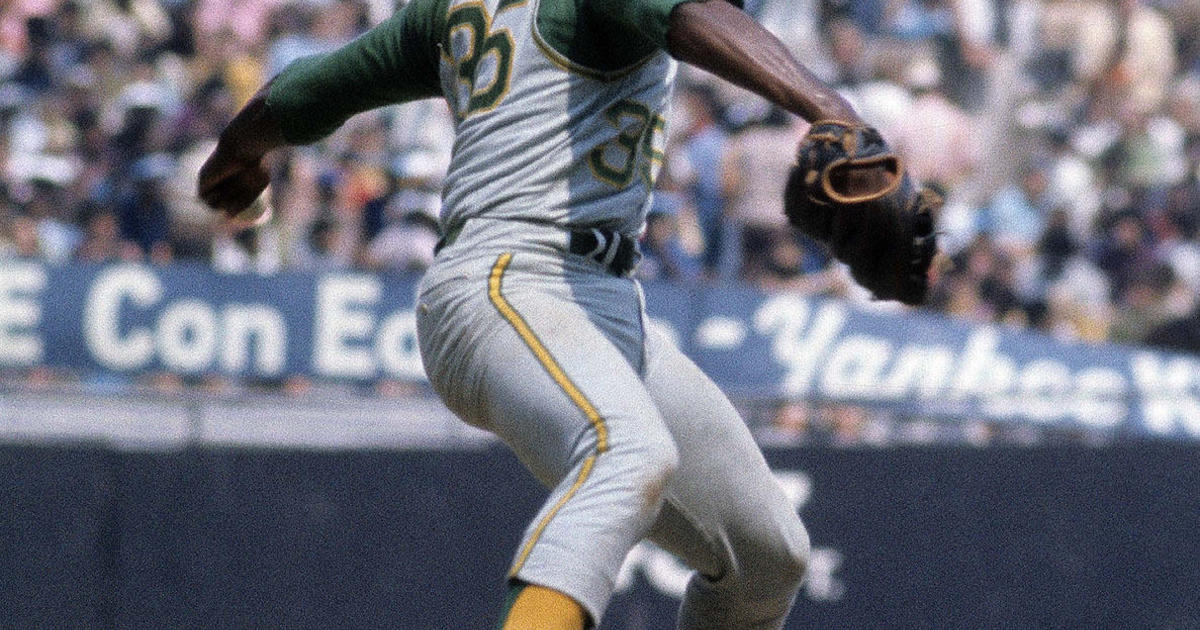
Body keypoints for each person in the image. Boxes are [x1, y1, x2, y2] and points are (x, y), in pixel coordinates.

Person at [198, 0, 878, 627]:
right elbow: (690, 14)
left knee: (768, 558)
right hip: (507, 281)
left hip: (597, 301)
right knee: (627, 451)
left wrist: (238, 150)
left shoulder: (449, 9)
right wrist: (828, 106)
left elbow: (314, 86)